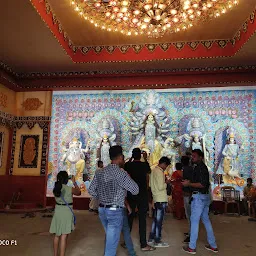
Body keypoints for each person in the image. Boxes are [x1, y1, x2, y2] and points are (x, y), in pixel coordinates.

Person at [88, 145, 139, 256]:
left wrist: (102, 196)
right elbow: (135, 190)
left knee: (111, 239)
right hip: (115, 211)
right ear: (120, 157)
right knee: (111, 246)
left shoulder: (99, 172)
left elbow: (91, 190)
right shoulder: (121, 174)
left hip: (102, 210)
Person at [182, 149, 218, 254]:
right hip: (204, 197)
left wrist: (189, 184)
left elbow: (202, 184)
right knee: (206, 220)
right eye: (192, 156)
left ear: (201, 157)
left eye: (194, 156)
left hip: (199, 198)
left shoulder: (201, 168)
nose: (192, 158)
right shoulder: (199, 167)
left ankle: (191, 247)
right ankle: (213, 245)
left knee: (194, 221)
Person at [125, 148, 155, 252]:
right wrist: (145, 159)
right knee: (142, 219)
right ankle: (143, 244)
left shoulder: (129, 165)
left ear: (133, 156)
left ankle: (126, 241)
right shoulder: (144, 165)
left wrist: (130, 159)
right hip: (142, 194)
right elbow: (149, 171)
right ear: (140, 156)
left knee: (129, 217)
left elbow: (125, 166)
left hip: (131, 193)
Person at [50, 171, 81, 256]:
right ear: (66, 179)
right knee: (64, 236)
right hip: (67, 212)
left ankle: (55, 254)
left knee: (57, 235)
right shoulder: (69, 189)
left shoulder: (56, 188)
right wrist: (74, 182)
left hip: (58, 211)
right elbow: (79, 192)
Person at [148, 156, 171, 248]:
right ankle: (157, 240)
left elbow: (150, 185)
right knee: (159, 221)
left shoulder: (153, 170)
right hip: (161, 198)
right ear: (164, 164)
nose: (166, 168)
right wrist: (167, 182)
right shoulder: (160, 172)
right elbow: (161, 186)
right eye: (167, 166)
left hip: (156, 197)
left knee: (155, 220)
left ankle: (151, 238)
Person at [181, 155, 193, 243]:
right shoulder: (190, 168)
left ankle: (191, 234)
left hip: (188, 194)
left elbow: (187, 182)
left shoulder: (186, 170)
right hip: (189, 194)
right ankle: (190, 232)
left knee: (189, 215)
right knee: (189, 215)